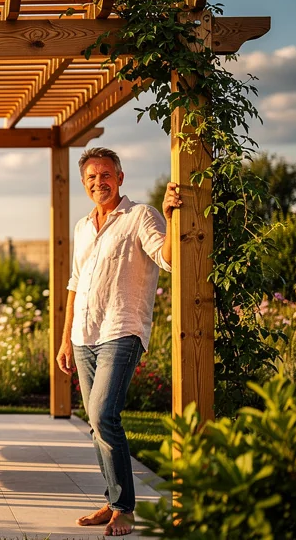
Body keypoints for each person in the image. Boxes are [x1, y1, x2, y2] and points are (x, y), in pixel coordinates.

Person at [55, 147, 181, 536]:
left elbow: (168, 258)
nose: (99, 183)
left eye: (106, 175)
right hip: (83, 335)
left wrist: (172, 216)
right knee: (97, 425)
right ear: (83, 184)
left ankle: (124, 509)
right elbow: (74, 285)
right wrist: (63, 340)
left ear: (120, 178)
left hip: (122, 330)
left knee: (102, 416)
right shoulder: (82, 226)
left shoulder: (141, 215)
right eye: (92, 178)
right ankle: (113, 502)